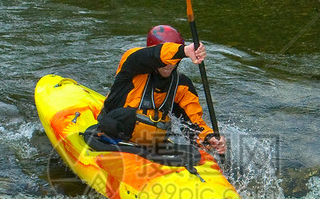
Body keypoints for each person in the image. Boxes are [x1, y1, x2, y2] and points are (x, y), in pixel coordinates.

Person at [95, 25, 227, 155]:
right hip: (111, 139)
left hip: (149, 146)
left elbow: (193, 124)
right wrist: (184, 51)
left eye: (176, 60)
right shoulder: (132, 64)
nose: (170, 64)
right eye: (167, 59)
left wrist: (209, 138)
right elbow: (153, 54)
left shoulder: (182, 85)